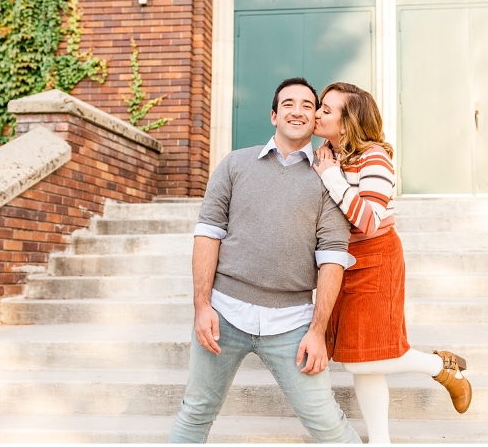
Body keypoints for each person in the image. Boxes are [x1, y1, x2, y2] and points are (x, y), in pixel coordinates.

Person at [169, 77, 361, 444]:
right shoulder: (235, 164)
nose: (298, 110)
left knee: (328, 425)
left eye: (308, 105)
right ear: (274, 115)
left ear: (316, 119)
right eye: (288, 103)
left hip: (292, 325)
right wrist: (201, 305)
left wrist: (318, 331)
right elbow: (208, 234)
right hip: (224, 315)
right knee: (195, 412)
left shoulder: (329, 180)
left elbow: (333, 259)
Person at [312, 82, 472, 444]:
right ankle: (380, 441)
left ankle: (441, 367)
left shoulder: (374, 158)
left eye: (327, 109)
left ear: (348, 121)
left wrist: (331, 177)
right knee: (361, 357)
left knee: (362, 358)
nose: (317, 113)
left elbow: (367, 220)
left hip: (375, 258)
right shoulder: (325, 155)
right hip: (340, 262)